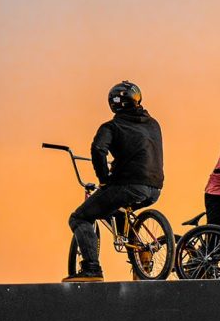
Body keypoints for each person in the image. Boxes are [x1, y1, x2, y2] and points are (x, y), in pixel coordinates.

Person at [64, 81, 164, 282]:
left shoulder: (112, 126)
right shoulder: (153, 124)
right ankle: (139, 260)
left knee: (80, 218)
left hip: (127, 185)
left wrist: (104, 179)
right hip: (154, 187)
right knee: (119, 211)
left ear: (112, 104)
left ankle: (92, 268)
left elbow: (98, 150)